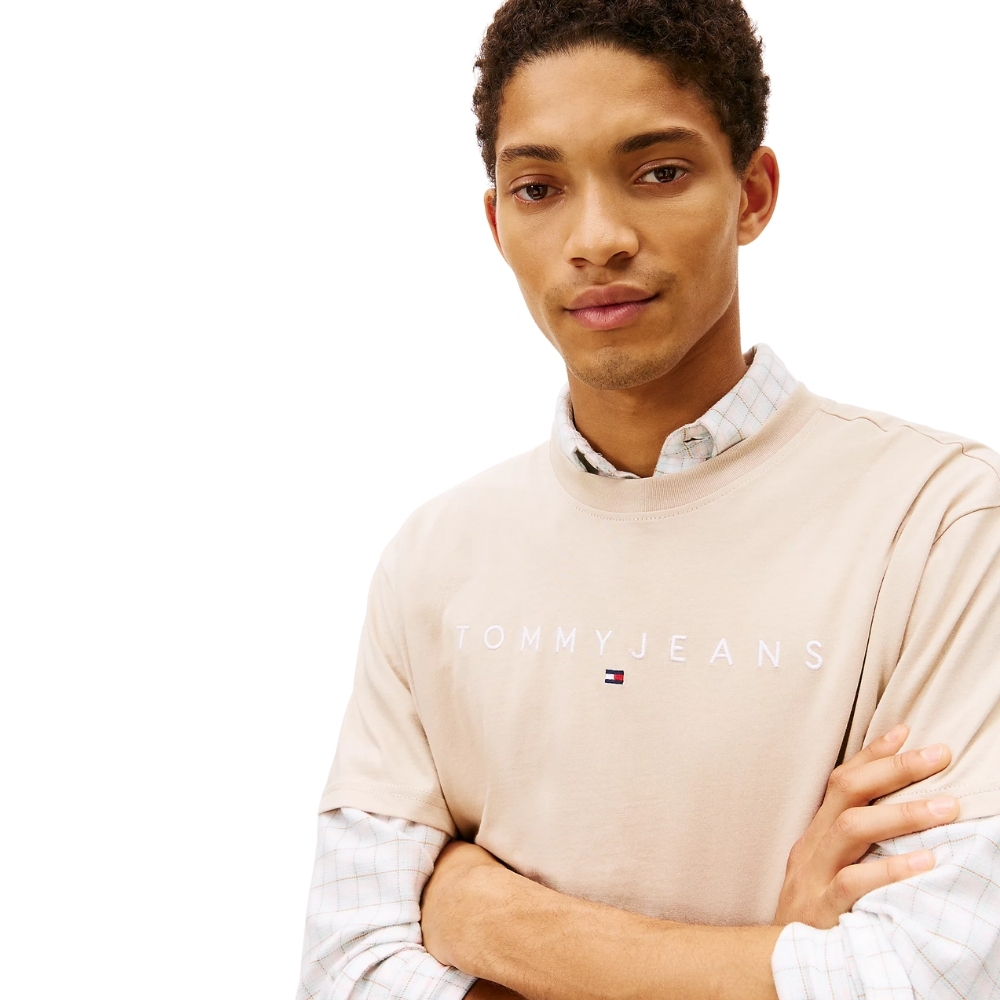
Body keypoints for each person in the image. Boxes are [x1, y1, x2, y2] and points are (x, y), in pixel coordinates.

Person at [297, 2, 1000, 998]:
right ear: (497, 223)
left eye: (659, 172)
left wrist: (483, 917)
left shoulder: (940, 525)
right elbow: (345, 972)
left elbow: (933, 973)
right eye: (539, 188)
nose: (597, 239)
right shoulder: (437, 556)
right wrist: (774, 956)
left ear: (751, 193)